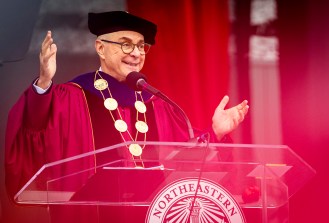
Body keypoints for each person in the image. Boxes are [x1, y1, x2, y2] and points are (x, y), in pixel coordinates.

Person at [5, 11, 249, 222]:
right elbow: (34, 130)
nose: (135, 53)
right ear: (100, 48)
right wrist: (44, 83)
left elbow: (184, 153)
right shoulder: (72, 96)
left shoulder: (156, 104)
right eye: (125, 44)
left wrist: (215, 132)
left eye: (141, 46)